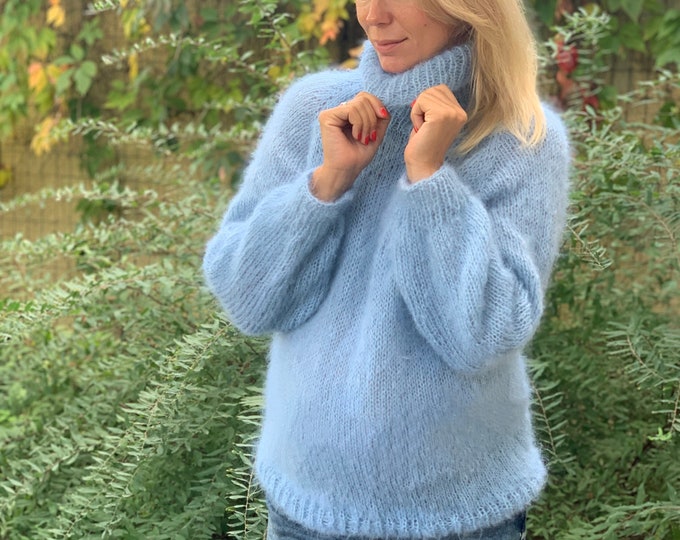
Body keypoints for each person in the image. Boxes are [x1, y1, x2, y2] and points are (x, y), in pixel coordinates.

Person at [203, 0, 571, 537]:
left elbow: (484, 335)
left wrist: (429, 177)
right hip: (306, 507)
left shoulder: (523, 139)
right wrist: (327, 183)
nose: (372, 16)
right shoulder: (315, 110)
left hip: (463, 516)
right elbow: (247, 298)